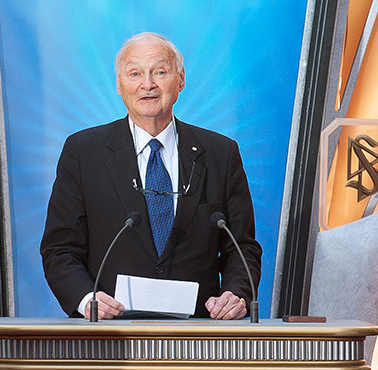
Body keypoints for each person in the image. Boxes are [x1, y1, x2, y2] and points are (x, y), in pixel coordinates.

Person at [41, 32, 261, 320]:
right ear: (119, 85)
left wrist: (236, 294)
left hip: (198, 333)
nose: (148, 84)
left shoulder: (220, 153)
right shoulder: (83, 152)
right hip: (109, 332)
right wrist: (86, 301)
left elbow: (242, 248)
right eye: (135, 73)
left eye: (160, 71)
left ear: (180, 79)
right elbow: (60, 248)